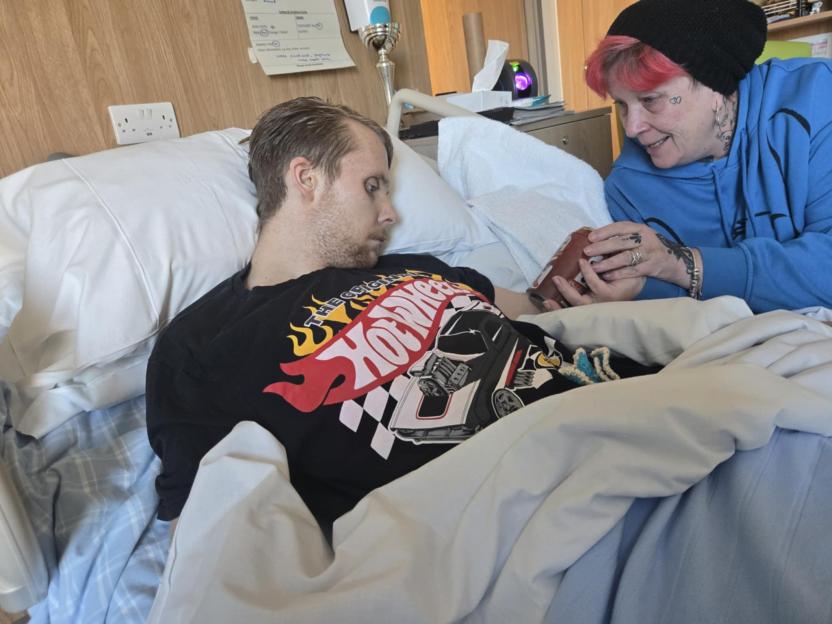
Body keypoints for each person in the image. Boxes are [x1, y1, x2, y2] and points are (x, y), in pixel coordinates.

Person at [146, 97, 657, 537]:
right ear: (306, 179)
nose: (391, 213)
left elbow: (540, 312)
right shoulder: (203, 344)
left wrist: (597, 302)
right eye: (372, 186)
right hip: (529, 507)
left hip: (629, 410)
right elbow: (204, 544)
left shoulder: (416, 267)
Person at [550, 0, 832, 314]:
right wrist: (639, 290)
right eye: (623, 105)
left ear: (715, 85)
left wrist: (686, 264)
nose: (631, 128)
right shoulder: (628, 187)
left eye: (650, 100)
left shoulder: (816, 102)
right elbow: (675, 293)